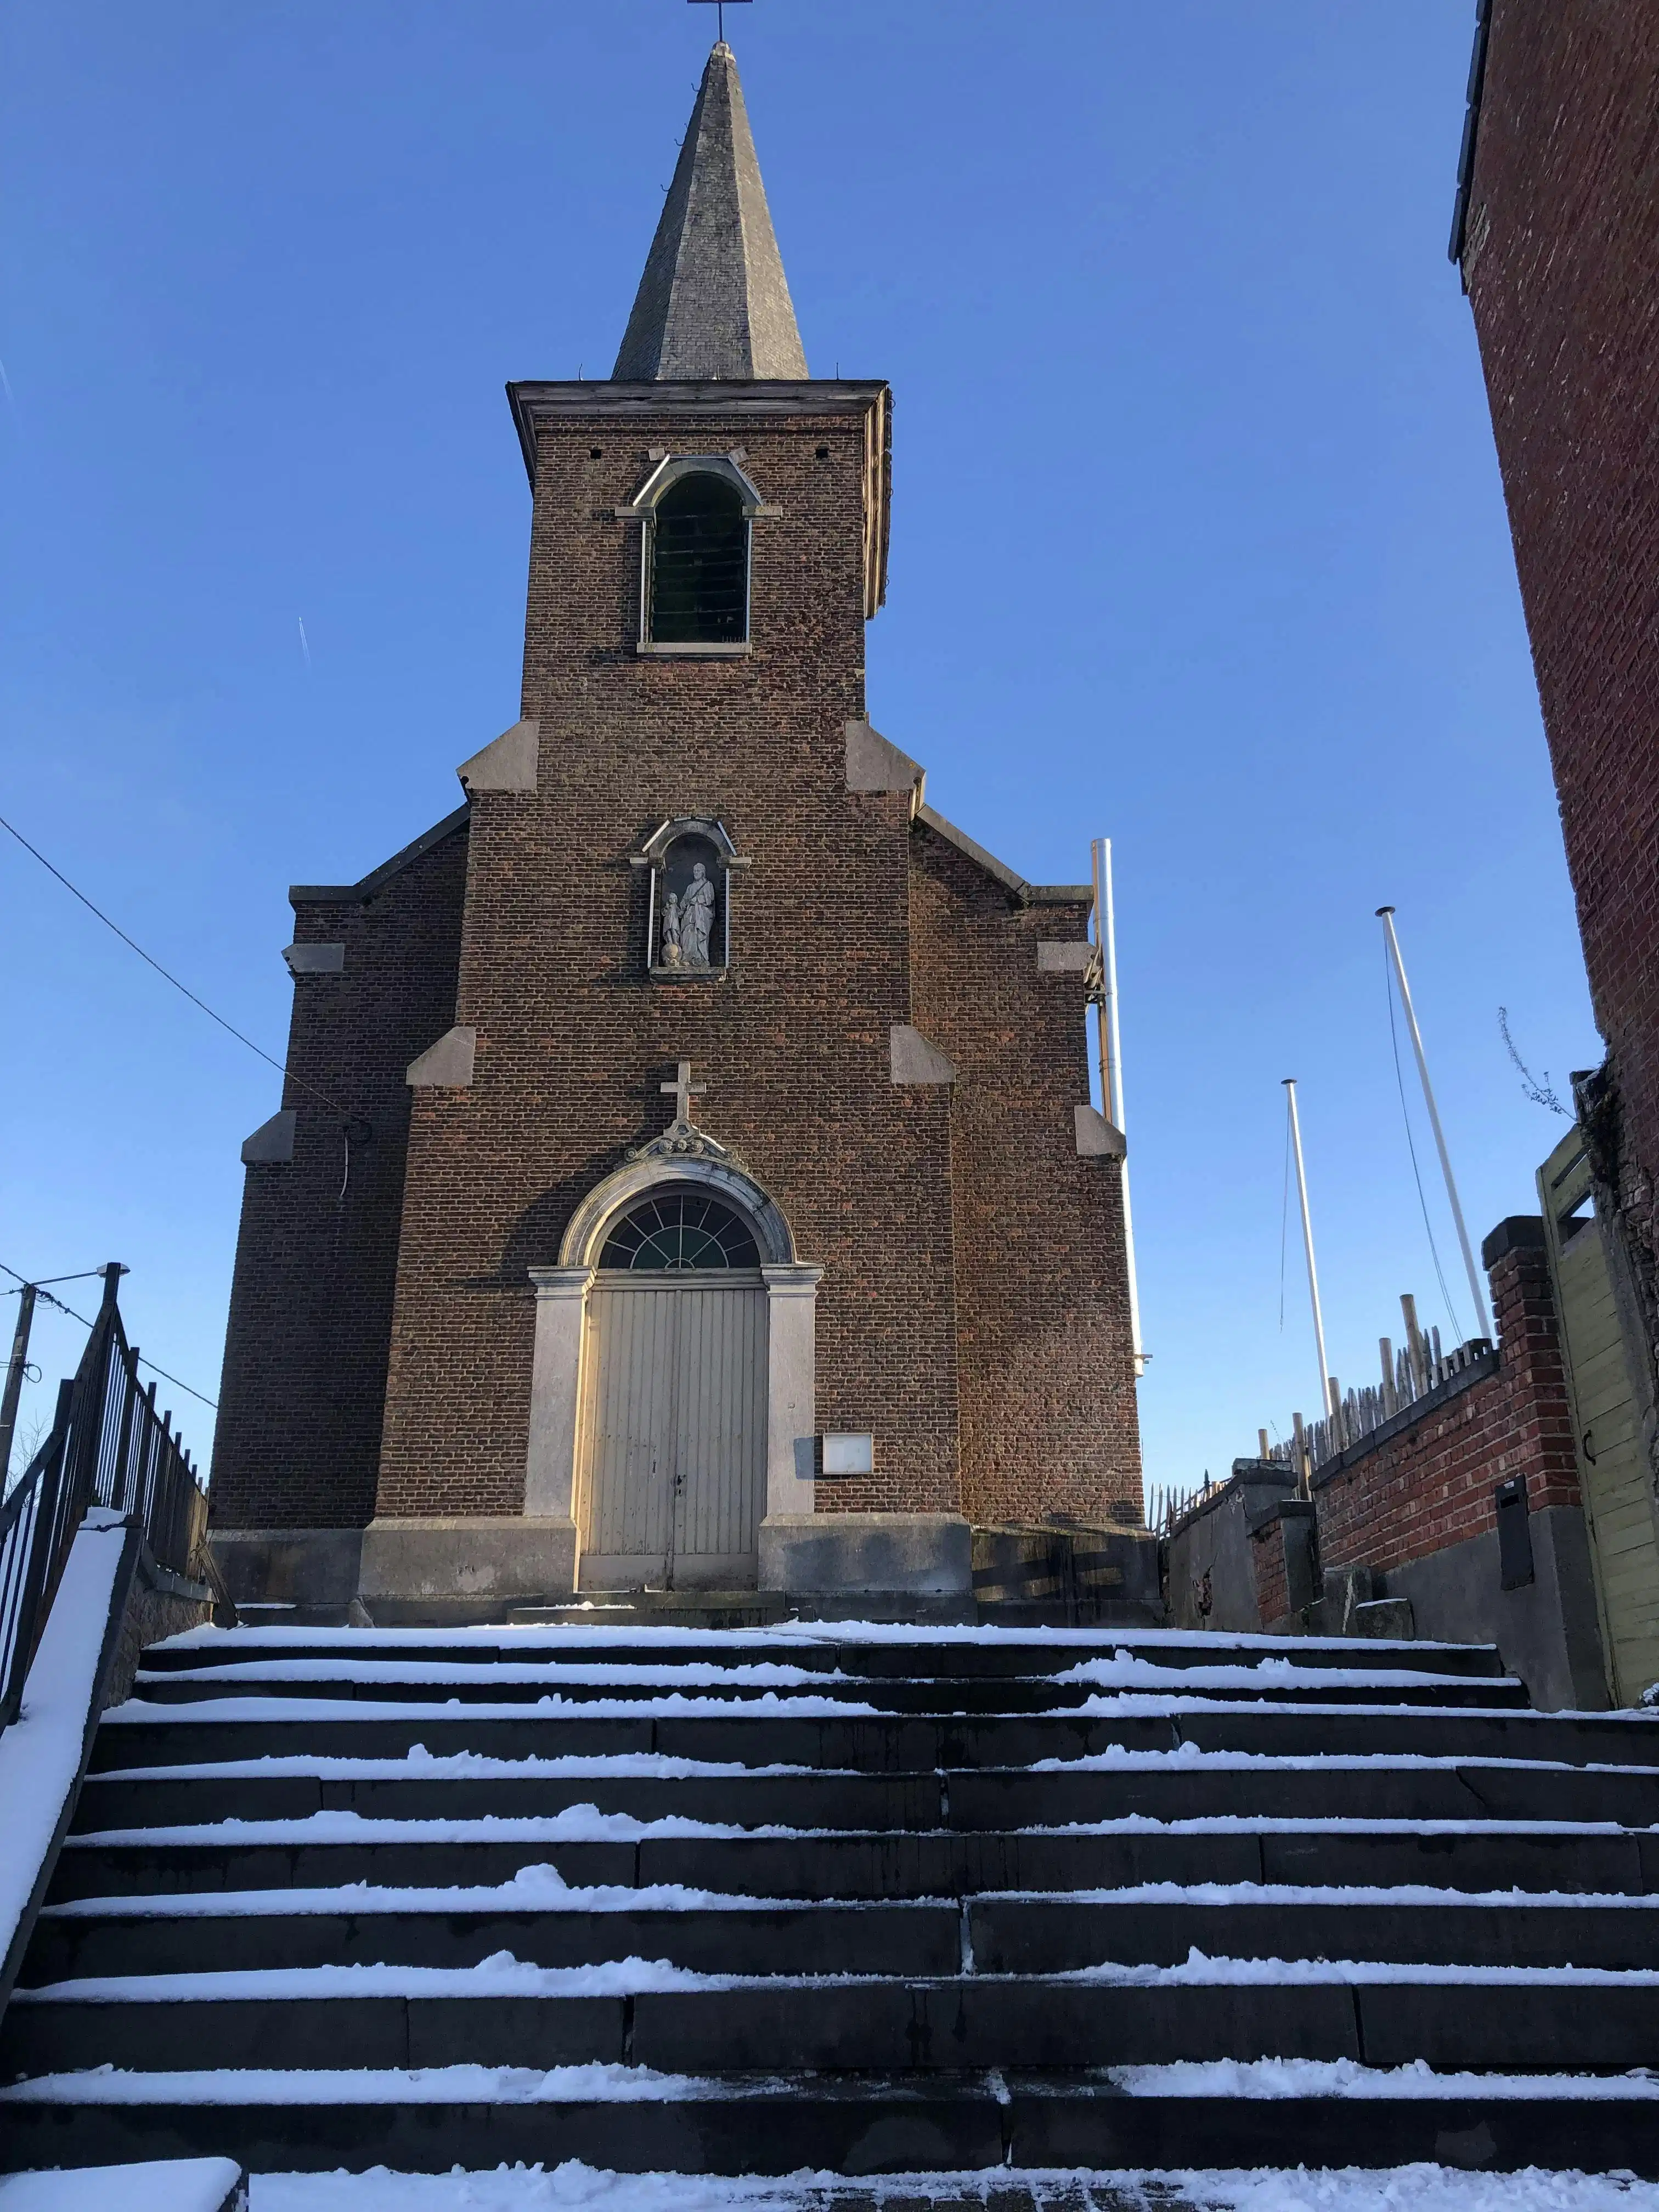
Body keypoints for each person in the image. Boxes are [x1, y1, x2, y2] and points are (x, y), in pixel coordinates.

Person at [679, 861, 716, 967]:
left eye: (698, 871)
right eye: (695, 871)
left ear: (703, 872)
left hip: (701, 915)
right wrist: (681, 908)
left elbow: (710, 900)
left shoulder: (707, 885)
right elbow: (685, 900)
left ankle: (701, 957)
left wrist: (698, 900)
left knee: (699, 933)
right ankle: (687, 956)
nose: (696, 873)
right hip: (690, 914)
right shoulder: (690, 887)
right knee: (687, 932)